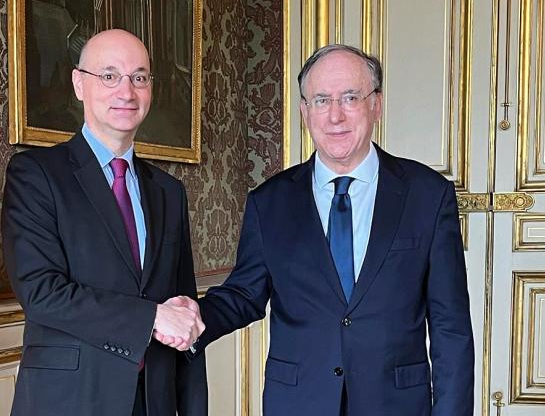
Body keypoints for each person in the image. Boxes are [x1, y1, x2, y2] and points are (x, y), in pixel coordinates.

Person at [163, 44, 475, 415]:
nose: (335, 116)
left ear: (376, 103)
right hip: (298, 402)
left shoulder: (427, 194)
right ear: (304, 111)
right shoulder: (270, 202)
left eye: (350, 97)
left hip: (395, 404)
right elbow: (245, 294)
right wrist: (195, 317)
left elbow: (450, 326)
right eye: (321, 100)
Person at [2, 29, 207, 416]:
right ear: (79, 84)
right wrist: (152, 317)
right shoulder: (35, 174)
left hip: (155, 401)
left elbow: (184, 307)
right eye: (109, 76)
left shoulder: (168, 191)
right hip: (72, 399)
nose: (126, 92)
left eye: (139, 77)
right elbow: (41, 293)